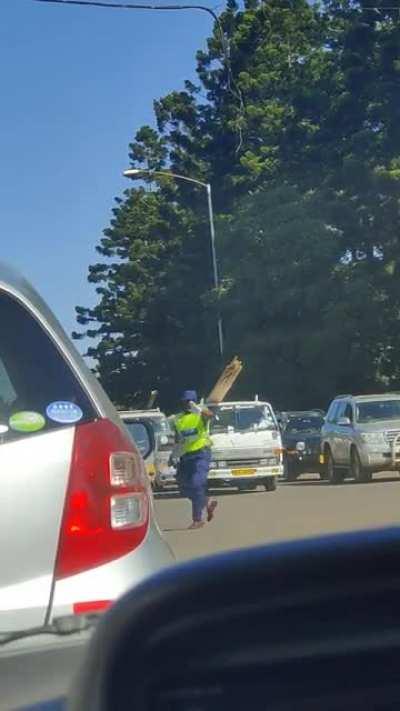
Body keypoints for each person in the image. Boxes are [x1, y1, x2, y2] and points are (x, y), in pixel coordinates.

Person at [172, 390, 218, 530]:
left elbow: (211, 416)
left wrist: (198, 409)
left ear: (194, 401)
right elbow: (178, 439)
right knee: (184, 487)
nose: (186, 404)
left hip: (201, 453)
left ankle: (197, 520)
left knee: (196, 483)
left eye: (189, 401)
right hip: (186, 456)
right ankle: (206, 501)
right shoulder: (178, 419)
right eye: (185, 402)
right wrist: (173, 455)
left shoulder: (201, 414)